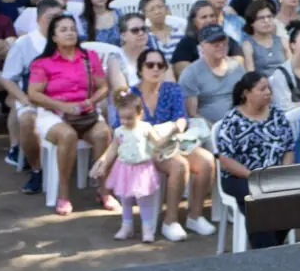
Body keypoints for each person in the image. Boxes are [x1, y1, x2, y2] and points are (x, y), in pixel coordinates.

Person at [27, 13, 114, 216]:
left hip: (85, 112)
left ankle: (103, 189)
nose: (70, 33)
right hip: (54, 113)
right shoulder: (43, 62)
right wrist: (61, 106)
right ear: (54, 37)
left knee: (103, 133)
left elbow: (103, 87)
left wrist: (91, 101)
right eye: (63, 30)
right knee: (68, 135)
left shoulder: (89, 56)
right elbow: (33, 94)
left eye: (72, 29)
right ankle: (64, 193)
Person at [130, 47, 214, 239]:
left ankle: (195, 216)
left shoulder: (172, 89)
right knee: (179, 165)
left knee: (207, 161)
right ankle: (170, 221)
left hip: (173, 141)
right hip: (145, 147)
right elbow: (124, 126)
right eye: (150, 65)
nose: (155, 69)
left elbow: (181, 117)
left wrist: (176, 127)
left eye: (160, 65)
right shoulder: (132, 95)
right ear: (140, 69)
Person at [212, 71, 297, 249]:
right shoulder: (233, 119)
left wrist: (283, 171)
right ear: (247, 93)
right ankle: (266, 251)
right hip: (240, 177)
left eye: (269, 88)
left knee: (291, 199)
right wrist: (253, 176)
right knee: (258, 201)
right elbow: (225, 160)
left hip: (273, 175)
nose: (268, 92)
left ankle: (273, 246)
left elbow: (288, 148)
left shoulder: (276, 114)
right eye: (262, 89)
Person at [89, 92, 177, 243]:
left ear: (139, 114)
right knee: (126, 199)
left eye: (129, 118)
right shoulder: (119, 131)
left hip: (142, 169)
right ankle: (126, 226)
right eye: (122, 118)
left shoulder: (145, 128)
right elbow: (112, 150)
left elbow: (158, 143)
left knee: (144, 201)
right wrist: (103, 163)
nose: (125, 121)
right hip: (124, 169)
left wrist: (170, 134)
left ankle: (147, 229)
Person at [179, 24, 246, 124]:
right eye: (214, 42)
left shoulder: (237, 68)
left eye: (223, 41)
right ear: (202, 46)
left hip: (238, 122)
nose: (221, 45)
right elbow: (192, 113)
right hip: (206, 127)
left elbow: (246, 100)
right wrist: (215, 128)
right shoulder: (191, 73)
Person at [239, 0, 287, 75]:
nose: (266, 21)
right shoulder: (248, 45)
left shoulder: (283, 41)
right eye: (261, 18)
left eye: (269, 16)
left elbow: (292, 68)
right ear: (251, 22)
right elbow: (250, 74)